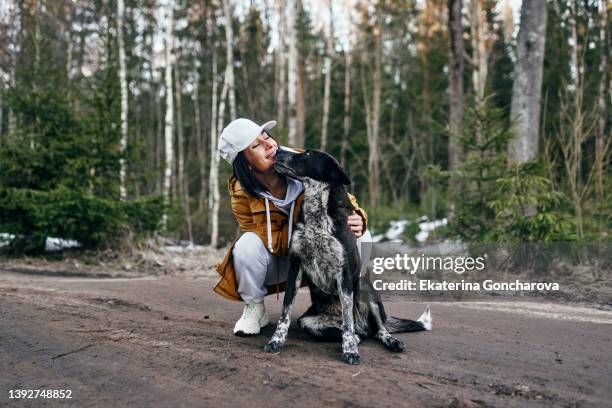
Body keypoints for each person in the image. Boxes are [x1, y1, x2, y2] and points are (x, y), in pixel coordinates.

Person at [214, 118, 371, 336]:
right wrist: (303, 229)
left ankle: (358, 310)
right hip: (285, 258)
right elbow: (268, 240)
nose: (269, 144)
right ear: (244, 162)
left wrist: (359, 218)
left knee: (361, 235)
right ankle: (254, 308)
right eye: (256, 145)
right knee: (246, 245)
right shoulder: (242, 192)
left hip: (323, 254)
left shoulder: (300, 161)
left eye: (266, 136)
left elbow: (344, 198)